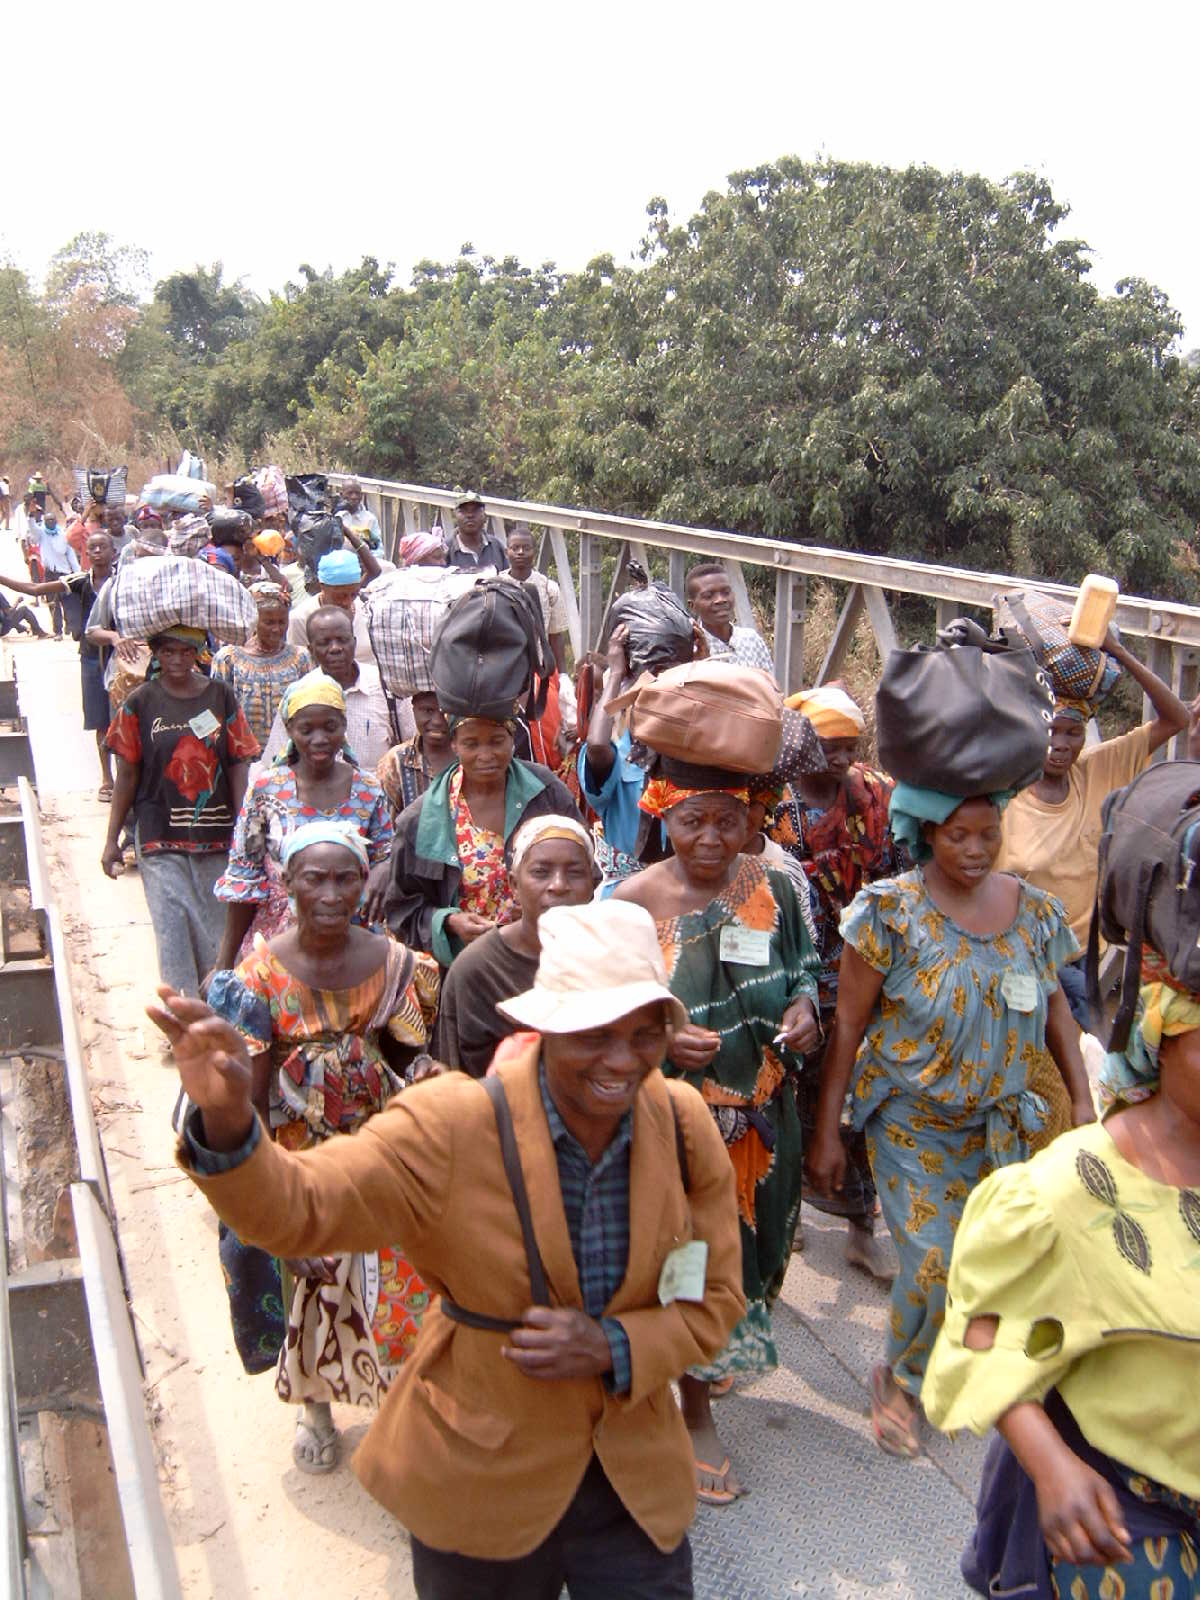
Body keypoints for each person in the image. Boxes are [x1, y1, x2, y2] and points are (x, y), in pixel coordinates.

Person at [155, 897, 743, 1597]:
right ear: (542, 1026)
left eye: (645, 1035)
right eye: (595, 1034)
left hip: (631, 1486)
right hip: (481, 1472)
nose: (622, 1060)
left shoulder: (681, 1127)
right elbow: (300, 1209)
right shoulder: (453, 1127)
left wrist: (615, 1347)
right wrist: (227, 1121)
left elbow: (713, 1298)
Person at [807, 784, 1095, 1461]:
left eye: (987, 834)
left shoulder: (1033, 913)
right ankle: (900, 1381)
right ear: (928, 832)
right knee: (934, 1262)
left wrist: (1082, 1101)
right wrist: (827, 1130)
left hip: (1003, 1121)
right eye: (958, 834)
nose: (974, 849)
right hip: (913, 1120)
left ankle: (966, 1363)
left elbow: (1057, 1014)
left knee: (987, 1262)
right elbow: (848, 1023)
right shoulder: (890, 913)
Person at [923, 970, 1200, 1599]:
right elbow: (979, 1328)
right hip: (1127, 1510)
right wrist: (1051, 1467)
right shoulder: (1065, 1192)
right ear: (1162, 1034)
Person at [613, 757, 820, 1503]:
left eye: (727, 820)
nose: (709, 838)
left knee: (759, 1256)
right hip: (677, 1131)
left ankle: (717, 1345)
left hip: (766, 1120)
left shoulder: (775, 890)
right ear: (663, 817)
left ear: (751, 822)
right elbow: (602, 1021)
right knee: (690, 1267)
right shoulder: (632, 905)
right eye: (692, 820)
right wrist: (659, 1042)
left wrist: (804, 1012)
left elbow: (803, 972)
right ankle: (694, 1416)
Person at [205, 822, 439, 1472]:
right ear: (287, 884)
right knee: (313, 1276)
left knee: (393, 1266)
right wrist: (262, 1186)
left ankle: (399, 1387)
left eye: (345, 878)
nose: (331, 893)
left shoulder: (395, 964)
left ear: (364, 882)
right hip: (299, 1148)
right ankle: (316, 1402)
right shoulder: (257, 979)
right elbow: (249, 1099)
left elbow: (407, 1055)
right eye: (315, 878)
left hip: (376, 1140)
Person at [768, 684, 904, 1278]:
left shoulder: (875, 798)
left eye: (850, 746)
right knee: (792, 1094)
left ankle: (860, 1222)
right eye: (829, 746)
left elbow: (898, 874)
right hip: (795, 963)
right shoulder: (774, 804)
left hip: (861, 960)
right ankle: (790, 1208)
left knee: (861, 1092)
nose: (842, 758)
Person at [996, 630, 1187, 1026]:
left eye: (1073, 732)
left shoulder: (1097, 769)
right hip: (1020, 961)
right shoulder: (1003, 793)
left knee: (1077, 1055)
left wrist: (1119, 652)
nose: (1061, 744)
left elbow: (1177, 719)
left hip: (1086, 958)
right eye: (1050, 730)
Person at [100, 626, 260, 996]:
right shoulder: (139, 703)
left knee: (216, 927)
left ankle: (221, 1008)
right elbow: (126, 775)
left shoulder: (221, 697)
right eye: (168, 652)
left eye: (185, 652)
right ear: (155, 653)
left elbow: (238, 762)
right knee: (171, 925)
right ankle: (183, 1016)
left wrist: (242, 823)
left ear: (198, 654)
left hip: (216, 834)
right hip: (159, 833)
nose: (176, 660)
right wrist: (111, 840)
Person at [214, 669, 393, 968]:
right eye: (306, 729)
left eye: (330, 727)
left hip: (349, 935)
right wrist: (223, 962)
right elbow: (246, 874)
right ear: (289, 729)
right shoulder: (267, 790)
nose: (320, 739)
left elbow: (385, 855)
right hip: (277, 941)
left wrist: (383, 868)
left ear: (344, 726)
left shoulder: (367, 789)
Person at [387, 712, 581, 966]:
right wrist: (448, 921)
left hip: (552, 959)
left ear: (513, 739)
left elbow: (585, 868)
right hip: (472, 967)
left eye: (497, 741)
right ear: (454, 744)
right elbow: (402, 911)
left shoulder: (545, 792)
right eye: (471, 744)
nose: (486, 755)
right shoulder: (421, 820)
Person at [434, 815, 597, 1077]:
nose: (558, 885)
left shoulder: (611, 956)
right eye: (541, 873)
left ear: (592, 885)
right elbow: (453, 1075)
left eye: (575, 872)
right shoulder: (477, 970)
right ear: (514, 885)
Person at [0, 529, 118, 794]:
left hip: (120, 659)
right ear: (85, 554)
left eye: (103, 547)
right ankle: (107, 778)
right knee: (100, 722)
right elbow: (35, 588)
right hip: (90, 657)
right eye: (93, 549)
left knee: (123, 720)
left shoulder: (124, 581)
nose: (97, 552)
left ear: (114, 552)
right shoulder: (79, 581)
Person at [580, 622, 694, 892]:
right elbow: (596, 744)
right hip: (627, 894)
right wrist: (616, 673)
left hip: (684, 890)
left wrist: (698, 666)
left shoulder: (691, 754)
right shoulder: (618, 754)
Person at [261, 606, 406, 774]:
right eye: (324, 642)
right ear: (311, 650)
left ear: (354, 642)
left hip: (380, 795)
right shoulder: (298, 695)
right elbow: (276, 762)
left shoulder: (387, 686)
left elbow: (412, 747)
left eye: (342, 640)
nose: (335, 648)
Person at [210, 580, 310, 747]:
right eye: (269, 622)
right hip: (243, 756)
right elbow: (215, 710)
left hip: (290, 752)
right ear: (254, 620)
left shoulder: (300, 657)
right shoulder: (228, 659)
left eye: (282, 622)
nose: (276, 629)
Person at [287, 541, 382, 667]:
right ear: (322, 587)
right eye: (339, 595)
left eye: (353, 594)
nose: (347, 602)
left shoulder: (368, 611)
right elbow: (299, 663)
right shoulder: (301, 618)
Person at [501, 525, 570, 676]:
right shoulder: (495, 586)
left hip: (538, 668)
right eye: (515, 548)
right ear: (506, 553)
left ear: (534, 552)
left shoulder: (548, 588)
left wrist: (563, 675)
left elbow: (556, 635)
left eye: (526, 548)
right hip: (503, 669)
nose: (520, 552)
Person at [376, 690, 456, 818]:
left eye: (445, 712)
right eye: (428, 711)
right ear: (413, 709)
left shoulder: (470, 757)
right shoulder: (395, 761)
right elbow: (386, 827)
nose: (437, 721)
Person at [685, 563, 774, 674]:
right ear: (692, 606)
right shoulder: (690, 648)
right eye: (708, 596)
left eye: (726, 592)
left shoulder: (751, 640)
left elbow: (771, 687)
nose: (721, 600)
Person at [30, 509, 80, 637]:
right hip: (49, 573)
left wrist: (78, 573)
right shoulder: (41, 534)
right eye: (48, 520)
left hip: (63, 573)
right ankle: (58, 631)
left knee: (67, 602)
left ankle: (70, 626)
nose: (50, 522)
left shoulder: (63, 535)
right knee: (53, 603)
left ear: (56, 521)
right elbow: (33, 529)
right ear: (44, 522)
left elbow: (71, 557)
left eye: (52, 520)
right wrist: (31, 516)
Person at [445, 488, 508, 572]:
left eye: (476, 510)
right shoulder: (446, 549)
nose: (470, 515)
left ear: (485, 516)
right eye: (463, 511)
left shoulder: (496, 546)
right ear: (455, 516)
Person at [337, 478, 383, 550]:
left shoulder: (370, 519)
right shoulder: (336, 517)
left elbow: (378, 549)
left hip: (364, 559)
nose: (354, 497)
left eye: (357, 493)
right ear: (341, 495)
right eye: (350, 493)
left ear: (362, 495)